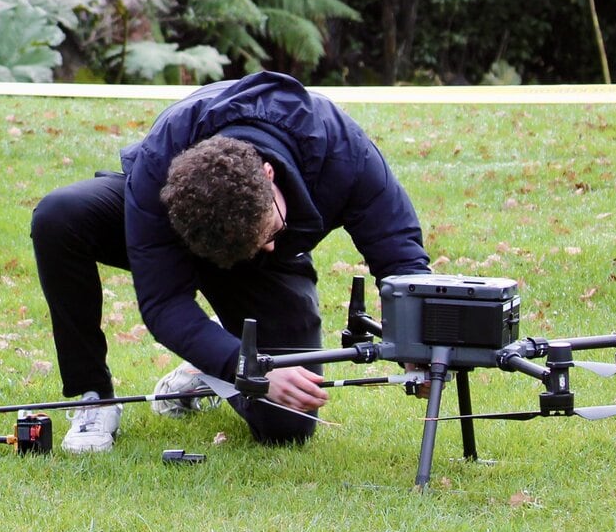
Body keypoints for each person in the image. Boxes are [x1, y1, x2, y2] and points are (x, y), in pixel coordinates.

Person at [29, 70, 429, 452]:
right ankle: (94, 396)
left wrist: (421, 341)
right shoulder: (160, 161)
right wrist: (243, 364)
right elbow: (163, 302)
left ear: (269, 174)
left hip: (264, 273)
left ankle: (202, 368)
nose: (268, 244)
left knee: (287, 425)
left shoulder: (343, 152)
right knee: (59, 218)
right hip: (184, 235)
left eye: (270, 231)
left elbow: (399, 253)